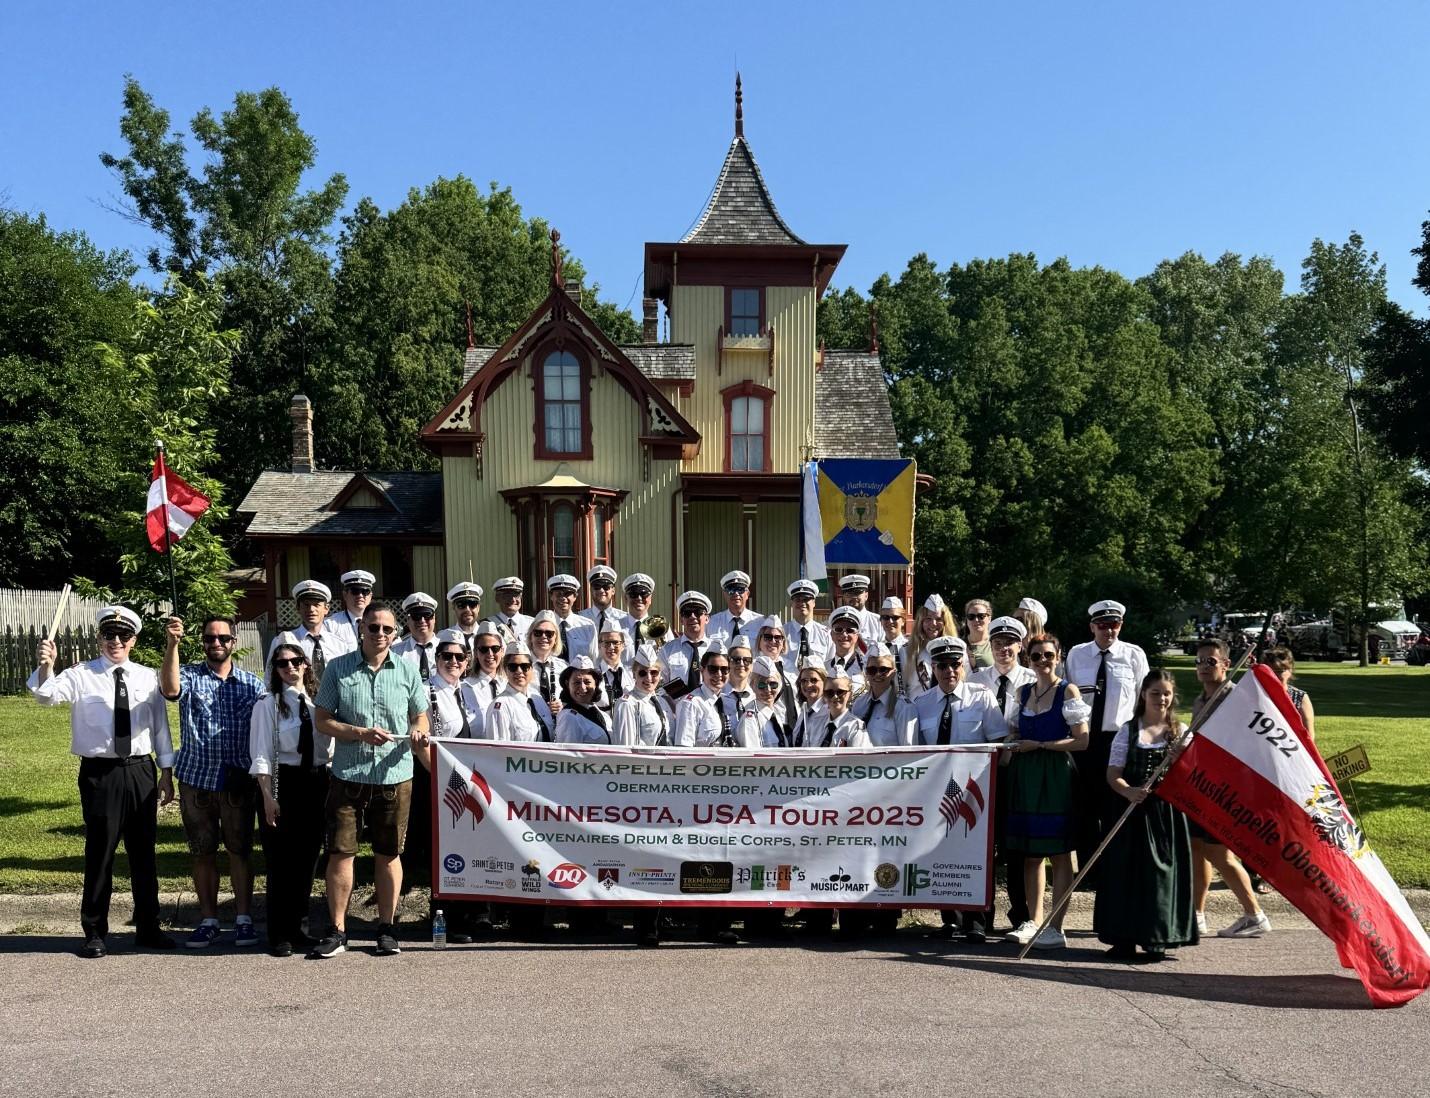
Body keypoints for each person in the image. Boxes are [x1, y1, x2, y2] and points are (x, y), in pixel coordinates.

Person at [29, 606, 177, 958]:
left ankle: (148, 927)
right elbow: (46, 695)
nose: (115, 642)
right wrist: (47, 664)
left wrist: (166, 771)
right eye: (109, 635)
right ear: (99, 638)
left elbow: (160, 726)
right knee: (100, 853)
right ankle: (94, 930)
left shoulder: (146, 676)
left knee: (144, 854)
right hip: (100, 773)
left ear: (134, 641)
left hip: (141, 770)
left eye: (123, 636)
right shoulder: (81, 674)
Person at [310, 604, 430, 959]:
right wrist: (358, 733)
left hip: (394, 775)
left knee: (388, 854)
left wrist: (419, 733)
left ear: (396, 633)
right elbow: (322, 719)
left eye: (387, 629)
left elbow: (420, 716)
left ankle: (386, 927)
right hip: (349, 775)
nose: (380, 634)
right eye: (373, 627)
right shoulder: (338, 668)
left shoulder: (407, 671)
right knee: (341, 853)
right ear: (361, 627)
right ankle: (337, 930)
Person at [161, 614, 264, 948]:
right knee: (202, 852)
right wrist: (173, 644)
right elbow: (170, 689)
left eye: (222, 638)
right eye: (209, 638)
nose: (215, 644)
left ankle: (244, 918)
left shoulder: (253, 684)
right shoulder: (190, 675)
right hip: (197, 779)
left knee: (240, 851)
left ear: (234, 642)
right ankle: (208, 919)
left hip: (238, 781)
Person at [1095, 670, 1199, 961]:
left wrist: (1181, 760)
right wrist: (1128, 791)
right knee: (1124, 873)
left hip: (1164, 815)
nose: (1162, 699)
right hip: (1129, 812)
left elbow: (1192, 779)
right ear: (1143, 694)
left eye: (1166, 693)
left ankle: (1157, 937)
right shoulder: (1128, 731)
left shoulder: (1180, 732)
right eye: (1155, 693)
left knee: (1158, 875)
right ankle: (1123, 938)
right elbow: (1113, 774)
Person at [912, 634, 1008, 942]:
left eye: (954, 664)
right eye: (941, 666)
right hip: (937, 790)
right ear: (933, 668)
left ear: (963, 664)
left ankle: (977, 921)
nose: (949, 672)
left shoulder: (982, 697)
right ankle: (950, 918)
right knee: (942, 851)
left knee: (978, 852)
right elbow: (918, 751)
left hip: (975, 788)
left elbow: (998, 742)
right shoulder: (922, 703)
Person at [1002, 633, 1090, 950]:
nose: (1043, 661)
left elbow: (1082, 740)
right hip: (1025, 775)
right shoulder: (1023, 692)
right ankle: (1033, 921)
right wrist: (1013, 744)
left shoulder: (1068, 690)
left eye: (1049, 655)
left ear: (1059, 656)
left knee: (1060, 851)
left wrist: (1039, 745)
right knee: (1030, 852)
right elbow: (1013, 730)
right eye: (1037, 656)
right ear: (1029, 658)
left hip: (1055, 775)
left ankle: (1057, 926)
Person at [249, 634, 330, 957]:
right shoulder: (267, 704)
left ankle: (300, 928)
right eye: (282, 663)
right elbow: (261, 753)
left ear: (306, 664)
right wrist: (268, 796)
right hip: (283, 783)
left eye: (296, 661)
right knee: (281, 862)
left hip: (317, 782)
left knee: (307, 860)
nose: (290, 668)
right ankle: (279, 933)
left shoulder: (317, 701)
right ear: (274, 668)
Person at [1190, 639, 1272, 937]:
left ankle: (1254, 914)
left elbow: (1251, 744)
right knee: (1196, 849)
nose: (1202, 667)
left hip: (1227, 789)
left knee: (1218, 853)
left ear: (1226, 664)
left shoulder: (1238, 699)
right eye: (1198, 661)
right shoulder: (1200, 701)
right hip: (1201, 784)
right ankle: (1197, 913)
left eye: (1210, 661)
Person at [1064, 600, 1149, 873]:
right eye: (1102, 625)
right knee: (1085, 803)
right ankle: (1089, 867)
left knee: (1115, 801)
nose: (1108, 631)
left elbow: (1142, 699)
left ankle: (1117, 865)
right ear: (1092, 627)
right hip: (1085, 739)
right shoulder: (1077, 655)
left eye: (1113, 625)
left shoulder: (1134, 655)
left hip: (1119, 738)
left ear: (1120, 625)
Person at [973, 616, 1037, 932]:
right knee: (983, 845)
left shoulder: (1033, 681)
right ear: (990, 645)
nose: (1003, 649)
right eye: (997, 643)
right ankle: (981, 915)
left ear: (1020, 645)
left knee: (1016, 847)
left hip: (1016, 772)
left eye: (1010, 643)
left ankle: (1021, 915)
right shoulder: (975, 680)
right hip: (982, 775)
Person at [270, 579, 357, 685]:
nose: (311, 609)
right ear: (298, 608)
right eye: (306, 604)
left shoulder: (339, 644)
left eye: (316, 605)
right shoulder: (284, 641)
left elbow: (348, 679)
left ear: (326, 609)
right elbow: (270, 679)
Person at [675, 642, 756, 748]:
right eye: (713, 669)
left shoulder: (728, 700)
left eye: (724, 669)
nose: (719, 674)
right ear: (702, 670)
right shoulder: (692, 704)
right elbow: (683, 748)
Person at [487, 642, 555, 742]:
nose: (519, 671)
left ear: (531, 669)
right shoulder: (501, 707)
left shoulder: (537, 699)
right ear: (506, 670)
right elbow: (498, 752)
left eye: (524, 666)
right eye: (513, 667)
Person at [853, 643, 917, 747]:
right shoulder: (859, 704)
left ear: (893, 673)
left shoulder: (904, 708)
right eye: (872, 670)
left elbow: (908, 752)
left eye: (883, 670)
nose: (878, 674)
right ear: (866, 673)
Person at [612, 645, 674, 748]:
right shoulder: (627, 704)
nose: (649, 678)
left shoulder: (662, 702)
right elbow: (626, 750)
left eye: (654, 672)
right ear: (634, 674)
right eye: (642, 673)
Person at [904, 594, 957, 701]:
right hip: (917, 711)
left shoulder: (957, 650)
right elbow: (900, 687)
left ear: (946, 622)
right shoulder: (907, 651)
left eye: (938, 619)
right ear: (920, 622)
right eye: (928, 619)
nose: (933, 624)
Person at [661, 591, 713, 701]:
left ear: (707, 618)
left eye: (698, 612)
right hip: (677, 713)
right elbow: (660, 685)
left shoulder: (716, 649)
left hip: (709, 712)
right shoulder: (667, 650)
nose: (692, 617)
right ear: (681, 620)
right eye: (687, 613)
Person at [555, 656, 614, 744]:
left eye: (587, 682)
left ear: (596, 683)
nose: (582, 688)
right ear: (567, 685)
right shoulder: (569, 718)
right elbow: (568, 755)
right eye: (577, 682)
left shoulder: (599, 713)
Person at [1263, 646, 1315, 743]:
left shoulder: (1300, 697)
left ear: (1290, 670)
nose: (1274, 675)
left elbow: (1309, 735)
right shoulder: (1258, 694)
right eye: (1270, 671)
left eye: (1280, 671)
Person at [582, 566, 633, 662]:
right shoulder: (580, 619)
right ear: (591, 590)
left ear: (613, 590)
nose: (601, 591)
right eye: (597, 587)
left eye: (606, 587)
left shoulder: (625, 619)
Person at [547, 574, 596, 664]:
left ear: (575, 597)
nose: (563, 598)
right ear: (551, 596)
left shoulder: (587, 626)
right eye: (558, 594)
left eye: (567, 594)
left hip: (579, 676)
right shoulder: (544, 625)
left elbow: (594, 659)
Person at [527, 610, 568, 716]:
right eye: (538, 633)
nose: (543, 637)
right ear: (531, 636)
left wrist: (562, 705)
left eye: (549, 633)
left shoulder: (564, 667)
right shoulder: (520, 665)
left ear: (556, 639)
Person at [783, 579, 831, 669]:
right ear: (791, 604)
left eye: (806, 599)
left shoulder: (826, 634)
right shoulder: (782, 633)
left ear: (814, 603)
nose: (802, 603)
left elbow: (830, 665)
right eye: (797, 600)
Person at [393, 592, 440, 678]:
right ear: (408, 620)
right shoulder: (395, 653)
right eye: (416, 616)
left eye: (427, 615)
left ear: (434, 618)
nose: (422, 621)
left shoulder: (446, 649)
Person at [465, 620, 507, 715]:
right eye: (484, 649)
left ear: (502, 651)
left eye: (495, 649)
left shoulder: (508, 685)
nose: (490, 654)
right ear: (475, 653)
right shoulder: (466, 688)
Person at [709, 570, 761, 642]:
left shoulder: (760, 622)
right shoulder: (712, 622)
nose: (736, 594)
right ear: (724, 594)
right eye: (731, 590)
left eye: (740, 589)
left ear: (747, 594)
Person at [329, 569, 375, 645]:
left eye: (365, 591)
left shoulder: (380, 622)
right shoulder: (331, 625)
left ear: (370, 596)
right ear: (345, 595)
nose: (360, 595)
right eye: (355, 591)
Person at [837, 574, 884, 648]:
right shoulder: (836, 623)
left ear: (866, 595)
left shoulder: (878, 622)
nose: (854, 597)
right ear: (844, 597)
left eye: (857, 593)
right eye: (849, 594)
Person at [791, 660, 829, 746]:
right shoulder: (804, 711)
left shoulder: (829, 713)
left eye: (814, 680)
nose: (808, 685)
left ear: (825, 682)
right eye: (804, 681)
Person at [879, 597, 910, 697]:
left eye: (895, 617)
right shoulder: (876, 649)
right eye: (886, 617)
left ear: (903, 621)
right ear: (881, 621)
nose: (890, 621)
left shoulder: (911, 648)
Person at [488, 576, 533, 644]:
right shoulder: (488, 624)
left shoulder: (532, 623)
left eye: (516, 595)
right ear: (497, 598)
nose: (513, 600)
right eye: (507, 595)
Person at [596, 626, 630, 710]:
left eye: (615, 642)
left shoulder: (632, 674)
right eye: (607, 643)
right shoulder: (592, 676)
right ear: (600, 645)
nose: (611, 647)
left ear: (623, 645)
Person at [621, 573, 658, 650]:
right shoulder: (615, 627)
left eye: (643, 594)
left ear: (650, 598)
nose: (639, 598)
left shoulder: (660, 628)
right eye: (633, 594)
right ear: (625, 599)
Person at [963, 599, 995, 669]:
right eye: (971, 616)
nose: (976, 620)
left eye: (981, 616)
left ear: (989, 618)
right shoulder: (960, 645)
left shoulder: (996, 643)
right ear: (967, 620)